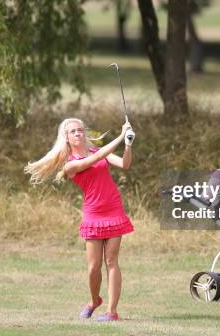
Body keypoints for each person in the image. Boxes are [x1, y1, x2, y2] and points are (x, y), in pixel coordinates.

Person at [24, 118, 136, 322]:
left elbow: (125, 164)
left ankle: (112, 312)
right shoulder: (70, 165)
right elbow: (97, 158)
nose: (78, 134)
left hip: (114, 209)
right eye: (73, 132)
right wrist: (120, 136)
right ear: (66, 138)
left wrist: (128, 144)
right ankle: (94, 301)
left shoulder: (96, 152)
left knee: (112, 261)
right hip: (93, 214)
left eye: (80, 130)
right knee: (94, 267)